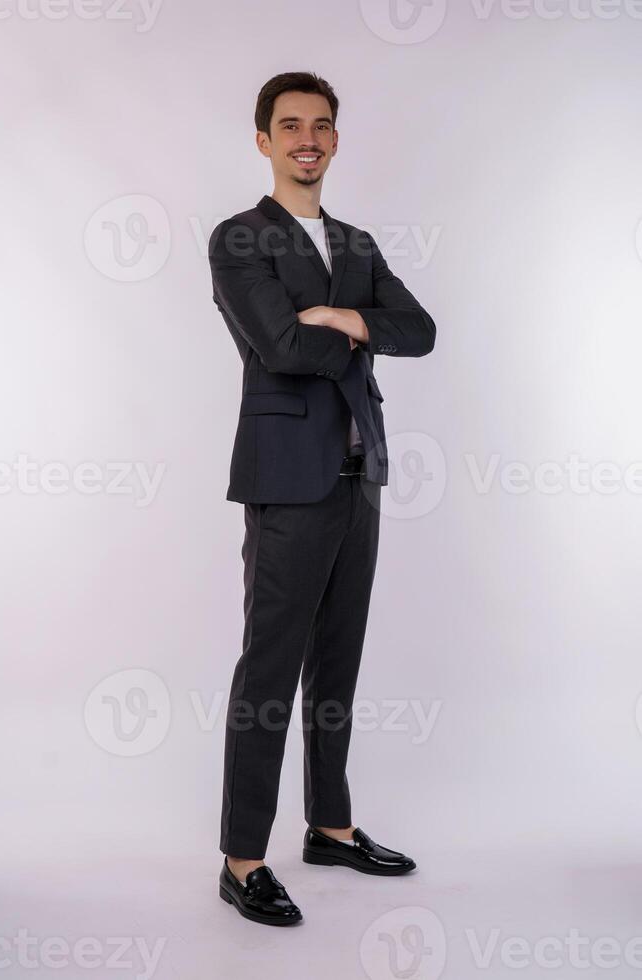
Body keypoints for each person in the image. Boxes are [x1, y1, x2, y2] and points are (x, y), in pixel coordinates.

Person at [208, 71, 436, 926]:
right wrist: (357, 325)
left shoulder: (360, 241)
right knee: (269, 670)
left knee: (337, 663)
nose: (309, 137)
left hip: (357, 476)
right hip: (286, 482)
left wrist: (339, 318)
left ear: (336, 141)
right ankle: (242, 859)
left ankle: (330, 828)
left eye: (323, 125)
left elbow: (421, 330)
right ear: (263, 139)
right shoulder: (240, 239)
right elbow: (279, 344)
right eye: (291, 124)